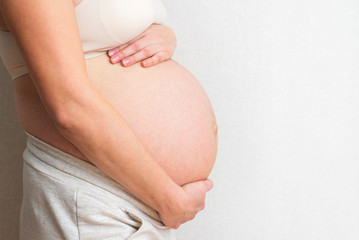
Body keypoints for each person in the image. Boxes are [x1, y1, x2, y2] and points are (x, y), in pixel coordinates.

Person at [0, 0, 218, 239]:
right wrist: (170, 200)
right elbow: (69, 108)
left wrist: (164, 35)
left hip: (136, 193)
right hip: (91, 197)